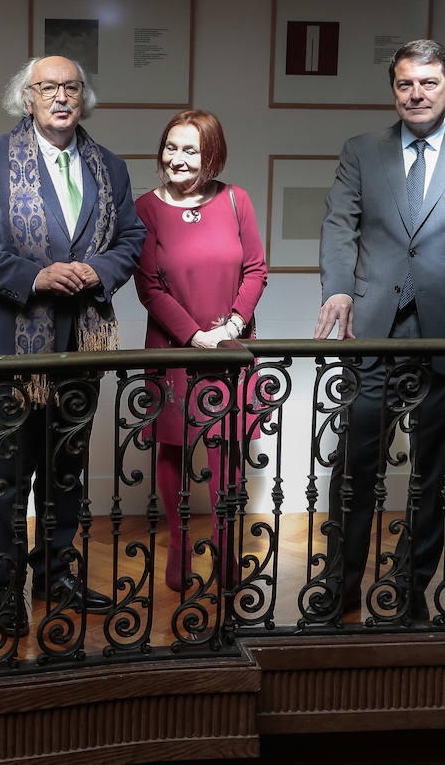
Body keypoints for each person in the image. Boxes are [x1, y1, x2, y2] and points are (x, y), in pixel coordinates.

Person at [312, 39, 445, 621]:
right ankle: (338, 587)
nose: (416, 94)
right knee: (354, 469)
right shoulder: (362, 150)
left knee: (435, 473)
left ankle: (409, 591)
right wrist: (337, 288)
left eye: (428, 83)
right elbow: (339, 225)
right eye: (405, 84)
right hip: (373, 331)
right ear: (394, 90)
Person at [0, 55, 145, 636]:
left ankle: (56, 576)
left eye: (71, 87)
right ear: (27, 97)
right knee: (10, 475)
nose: (61, 97)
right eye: (48, 88)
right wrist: (33, 276)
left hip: (83, 343)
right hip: (14, 345)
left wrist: (98, 271)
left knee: (66, 471)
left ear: (84, 97)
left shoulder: (110, 166)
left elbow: (132, 237)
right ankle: (6, 590)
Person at [133, 109, 267, 591]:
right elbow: (149, 287)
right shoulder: (146, 208)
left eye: (190, 149)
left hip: (230, 345)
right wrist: (194, 336)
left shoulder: (236, 200)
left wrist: (231, 326)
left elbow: (256, 269)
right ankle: (180, 545)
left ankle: (227, 550)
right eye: (171, 147)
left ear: (212, 155)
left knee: (225, 446)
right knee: (173, 447)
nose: (178, 158)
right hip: (173, 347)